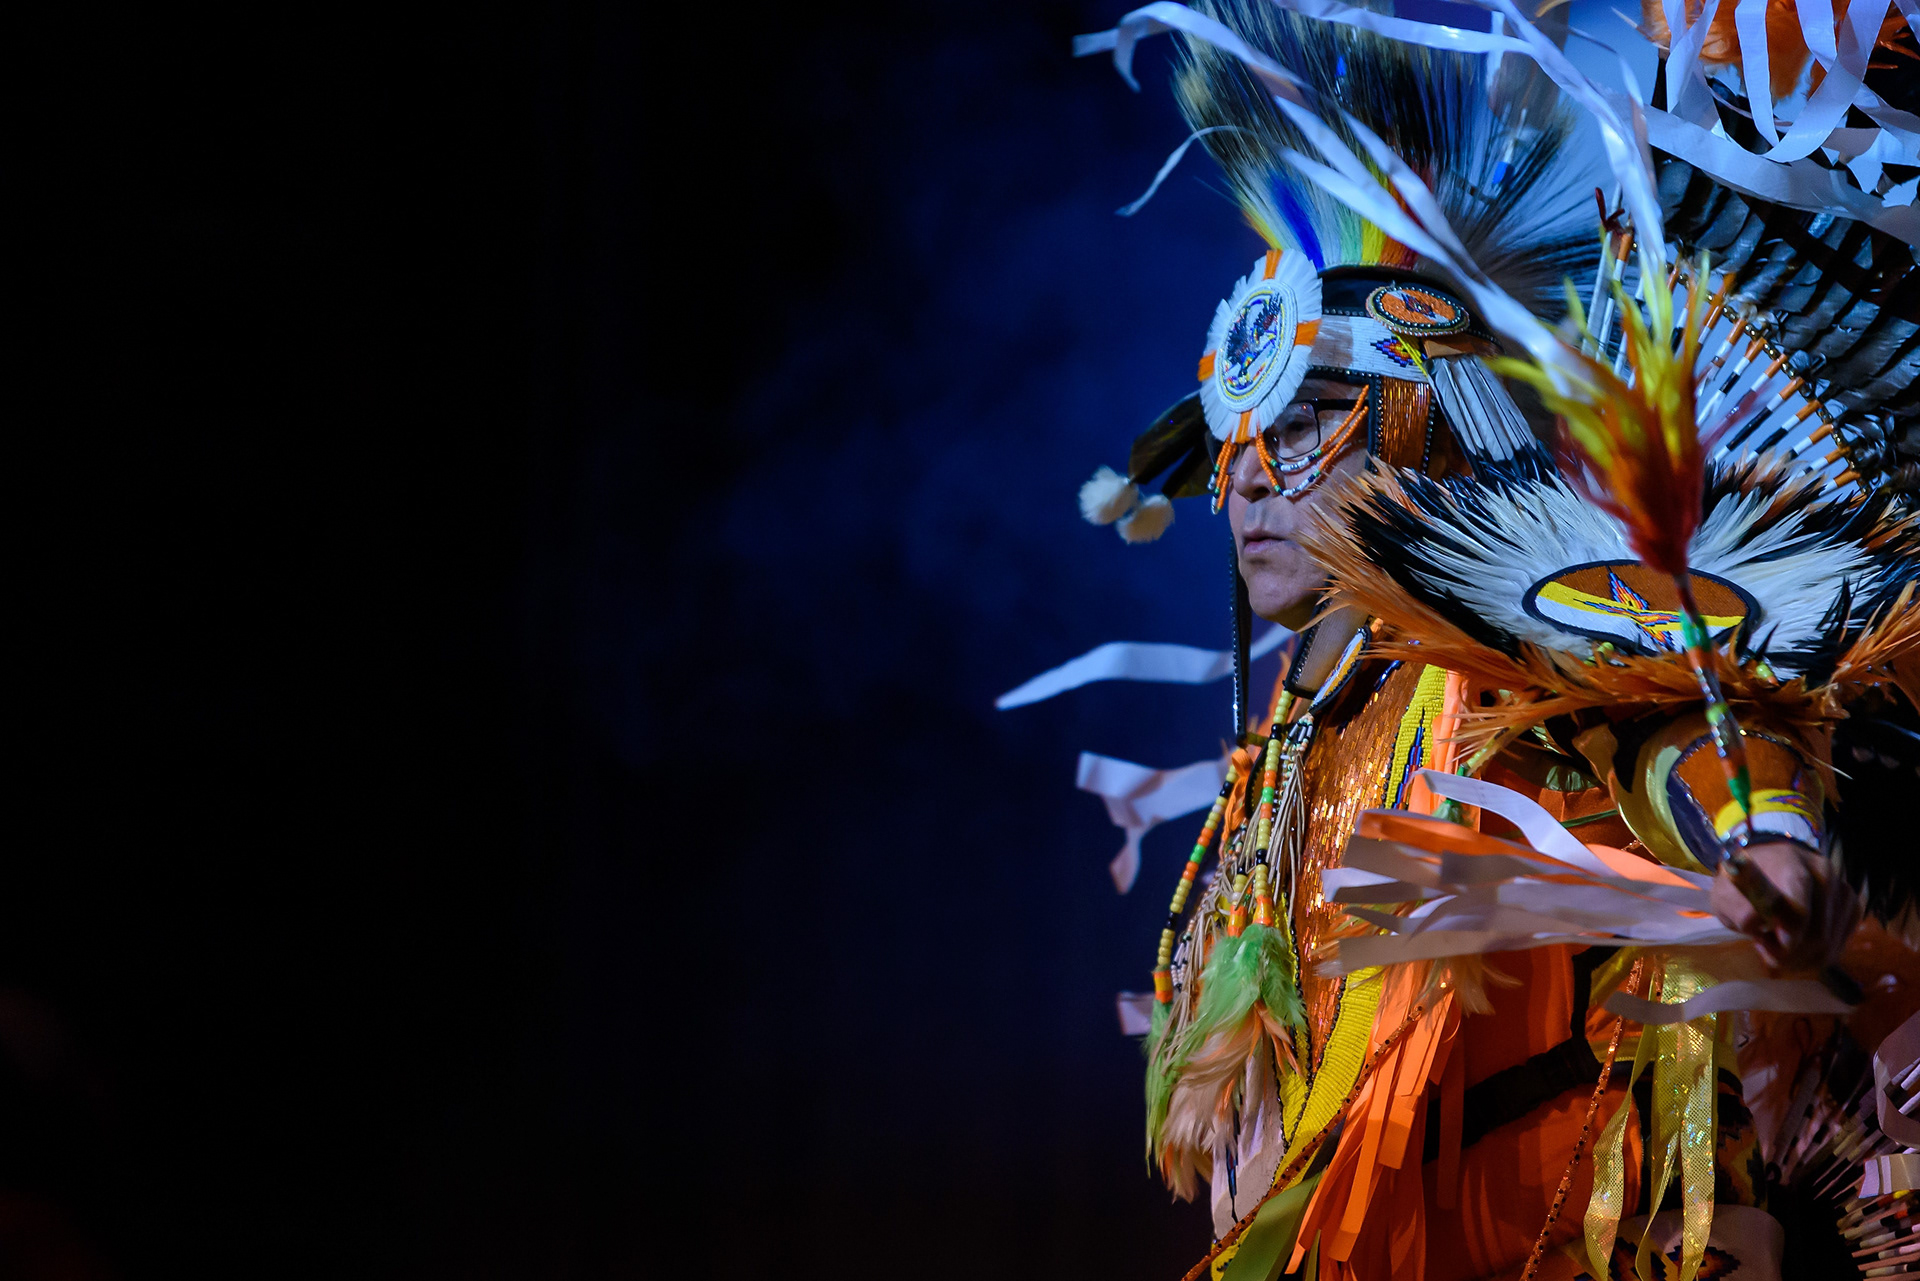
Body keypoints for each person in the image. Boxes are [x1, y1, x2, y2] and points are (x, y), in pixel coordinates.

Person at [1063, 2, 1920, 1277]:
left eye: (1310, 422)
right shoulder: (1295, 726)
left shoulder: (1507, 633)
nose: (1246, 481)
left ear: (1417, 417)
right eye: (1234, 442)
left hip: (1561, 1230)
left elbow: (1667, 710)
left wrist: (1765, 841)